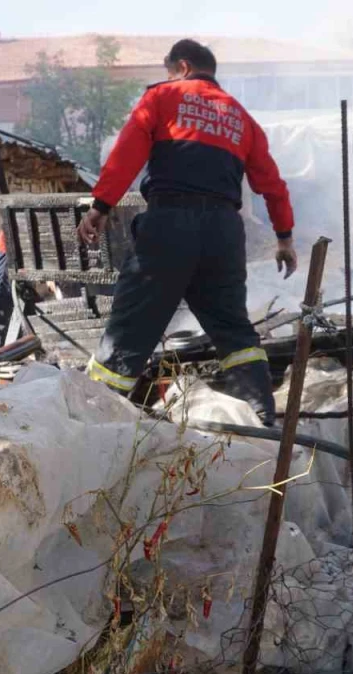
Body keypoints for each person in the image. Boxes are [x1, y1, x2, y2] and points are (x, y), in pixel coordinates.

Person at [76, 39, 297, 424]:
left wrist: (101, 206)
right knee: (233, 330)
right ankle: (263, 415)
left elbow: (127, 154)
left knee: (130, 328)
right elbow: (273, 185)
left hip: (170, 225)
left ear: (181, 67)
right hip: (224, 234)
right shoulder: (241, 118)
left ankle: (96, 417)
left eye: (169, 72)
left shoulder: (163, 97)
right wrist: (284, 238)